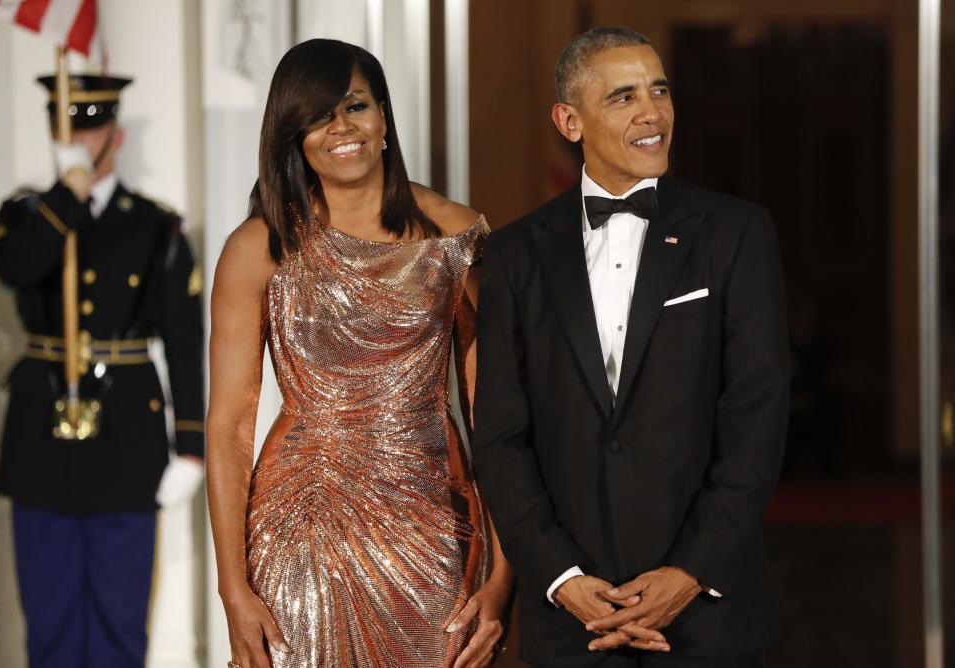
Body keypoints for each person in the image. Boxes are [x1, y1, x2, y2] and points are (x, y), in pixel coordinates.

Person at [473, 27, 789, 668]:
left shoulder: (736, 233)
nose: (653, 113)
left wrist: (691, 572)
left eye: (660, 91)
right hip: (572, 623)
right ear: (569, 120)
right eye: (623, 97)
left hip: (710, 616)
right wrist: (561, 578)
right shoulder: (513, 255)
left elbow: (757, 418)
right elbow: (501, 437)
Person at [206, 38, 513, 668]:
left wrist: (504, 573)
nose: (340, 129)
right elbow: (231, 424)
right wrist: (232, 586)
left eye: (355, 106)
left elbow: (499, 417)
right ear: (293, 133)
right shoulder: (259, 247)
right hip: (298, 532)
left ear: (384, 117)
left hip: (433, 523)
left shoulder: (455, 236)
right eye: (318, 115)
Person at [0, 74, 205, 668]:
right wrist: (67, 194)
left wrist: (190, 447)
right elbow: (18, 268)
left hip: (125, 439)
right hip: (42, 441)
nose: (80, 138)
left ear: (114, 132)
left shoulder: (154, 225)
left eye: (90, 125)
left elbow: (185, 340)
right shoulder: (25, 214)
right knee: (51, 621)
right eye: (67, 126)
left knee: (119, 621)